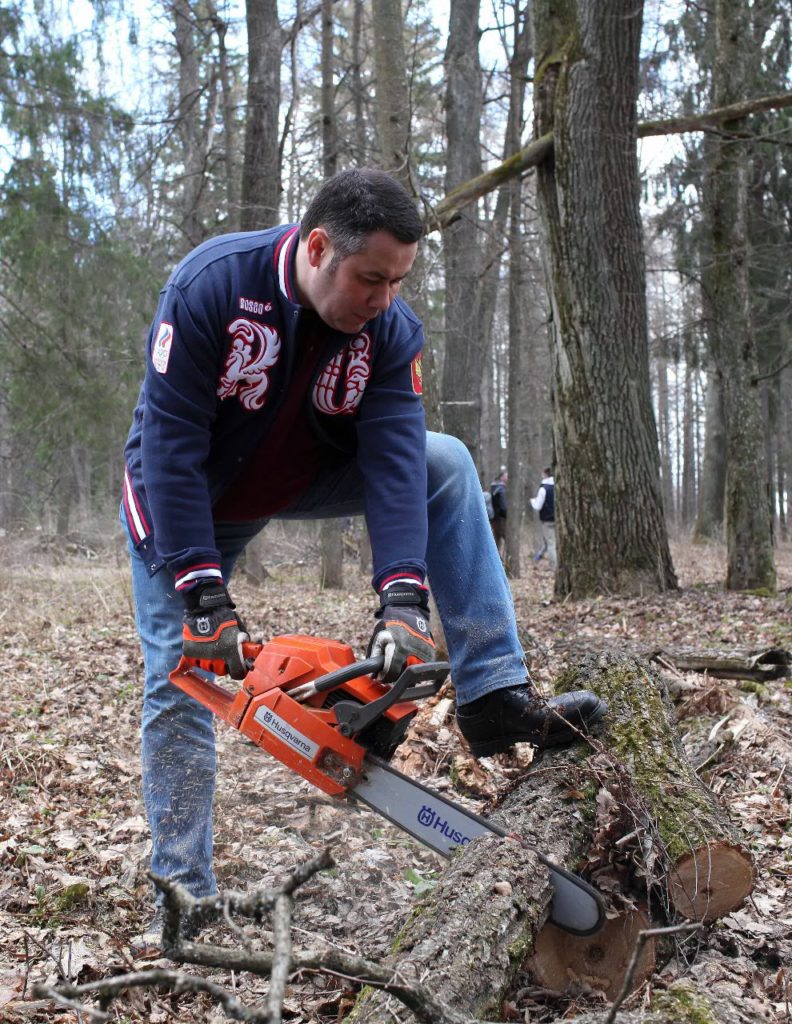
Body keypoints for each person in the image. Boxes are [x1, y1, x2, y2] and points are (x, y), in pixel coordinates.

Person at [121, 169, 605, 941]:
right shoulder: (214, 286)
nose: (383, 297)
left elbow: (393, 459)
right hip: (187, 500)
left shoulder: (390, 330)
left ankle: (492, 692)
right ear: (318, 248)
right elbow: (167, 449)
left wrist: (403, 599)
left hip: (296, 476)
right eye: (370, 278)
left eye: (398, 280)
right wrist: (201, 591)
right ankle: (183, 895)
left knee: (443, 461)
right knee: (178, 681)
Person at [530, 467, 556, 569]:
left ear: (545, 474)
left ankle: (554, 567)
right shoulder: (558, 486)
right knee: (553, 543)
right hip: (559, 521)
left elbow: (537, 506)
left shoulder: (543, 489)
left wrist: (532, 501)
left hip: (547, 521)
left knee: (551, 544)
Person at [489, 468, 508, 557]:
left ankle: (497, 559)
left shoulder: (494, 487)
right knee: (506, 538)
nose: (507, 478)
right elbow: (503, 505)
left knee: (497, 539)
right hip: (500, 518)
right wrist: (506, 514)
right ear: (501, 477)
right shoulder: (501, 489)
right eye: (506, 476)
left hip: (494, 518)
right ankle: (502, 560)